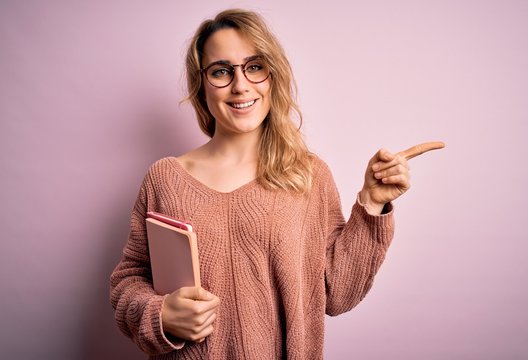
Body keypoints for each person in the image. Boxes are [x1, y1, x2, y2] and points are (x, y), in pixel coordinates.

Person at [110, 8, 443, 359]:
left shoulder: (308, 176)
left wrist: (372, 203)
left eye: (254, 67)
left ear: (273, 76)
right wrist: (160, 314)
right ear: (201, 84)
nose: (240, 85)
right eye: (221, 71)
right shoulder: (165, 179)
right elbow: (128, 280)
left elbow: (337, 294)